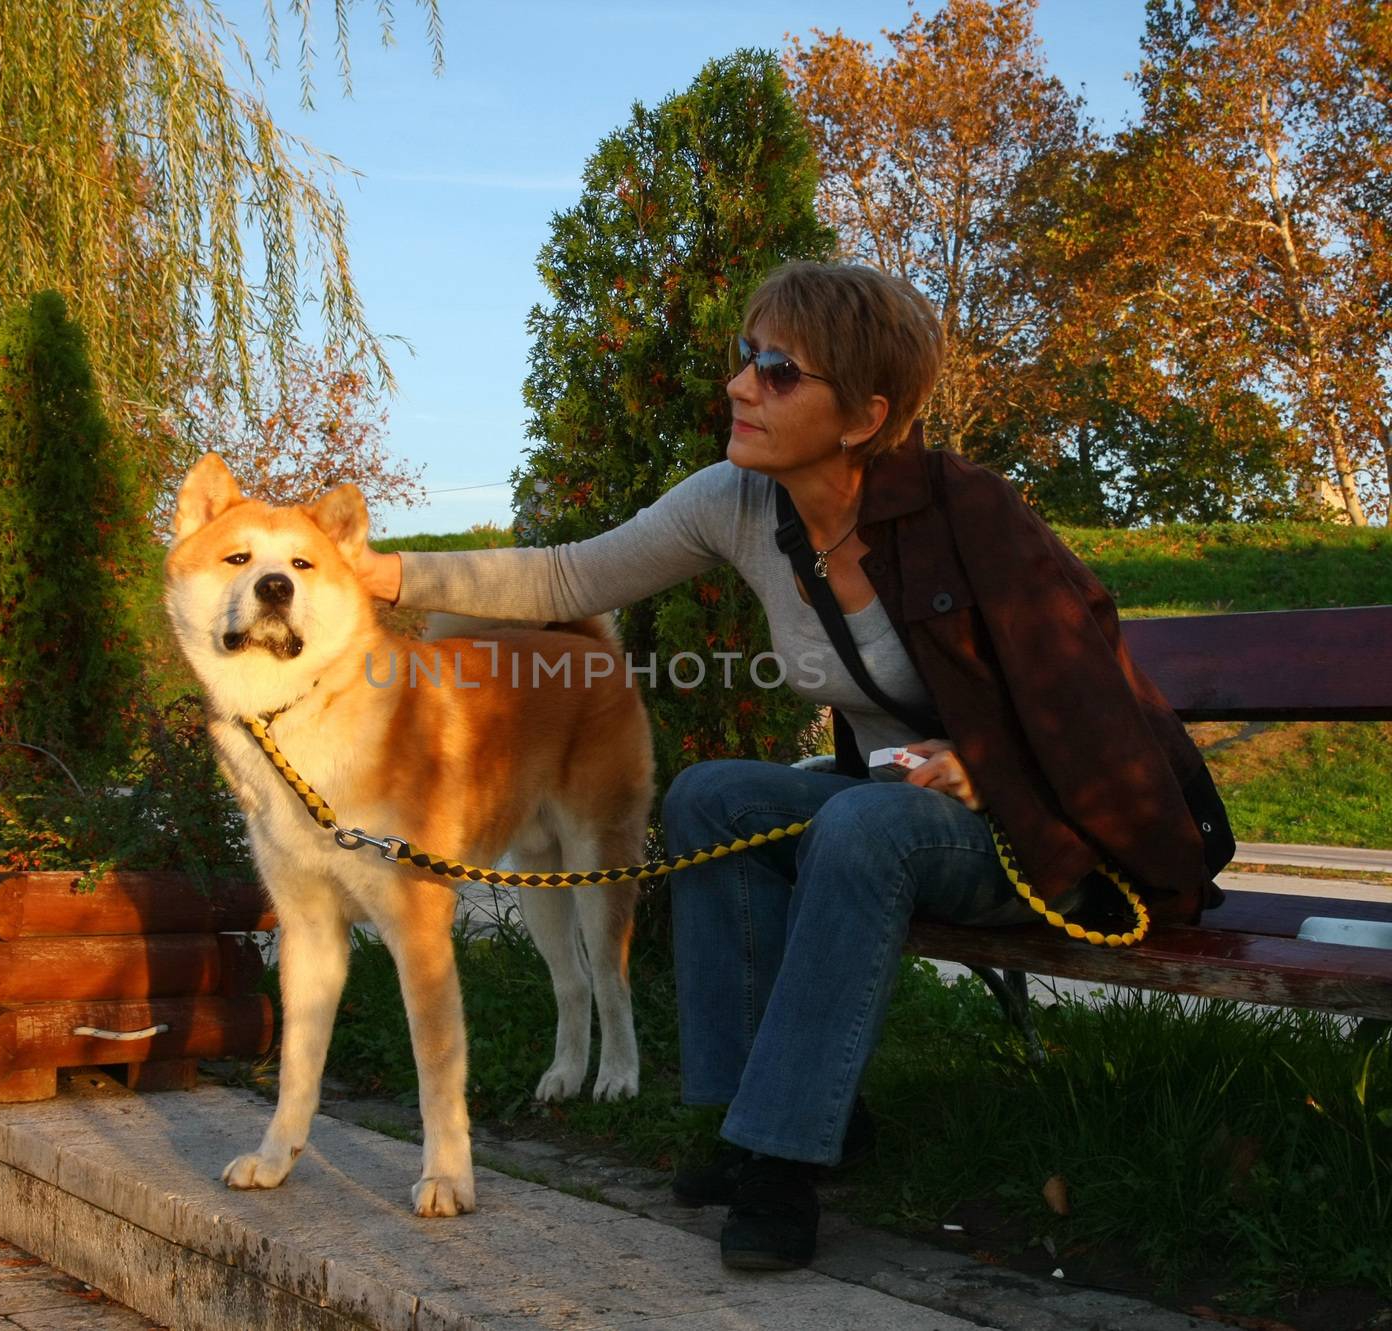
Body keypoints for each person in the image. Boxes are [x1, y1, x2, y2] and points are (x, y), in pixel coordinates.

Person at [350, 261, 1229, 1271]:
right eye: (745, 360)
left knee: (860, 822)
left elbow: (1092, 703)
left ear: (863, 415)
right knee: (713, 794)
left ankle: (781, 1160)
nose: (739, 386)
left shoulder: (971, 514)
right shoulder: (740, 502)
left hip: (1029, 835)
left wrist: (984, 766)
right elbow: (568, 572)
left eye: (778, 372)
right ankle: (745, 1113)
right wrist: (387, 574)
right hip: (896, 812)